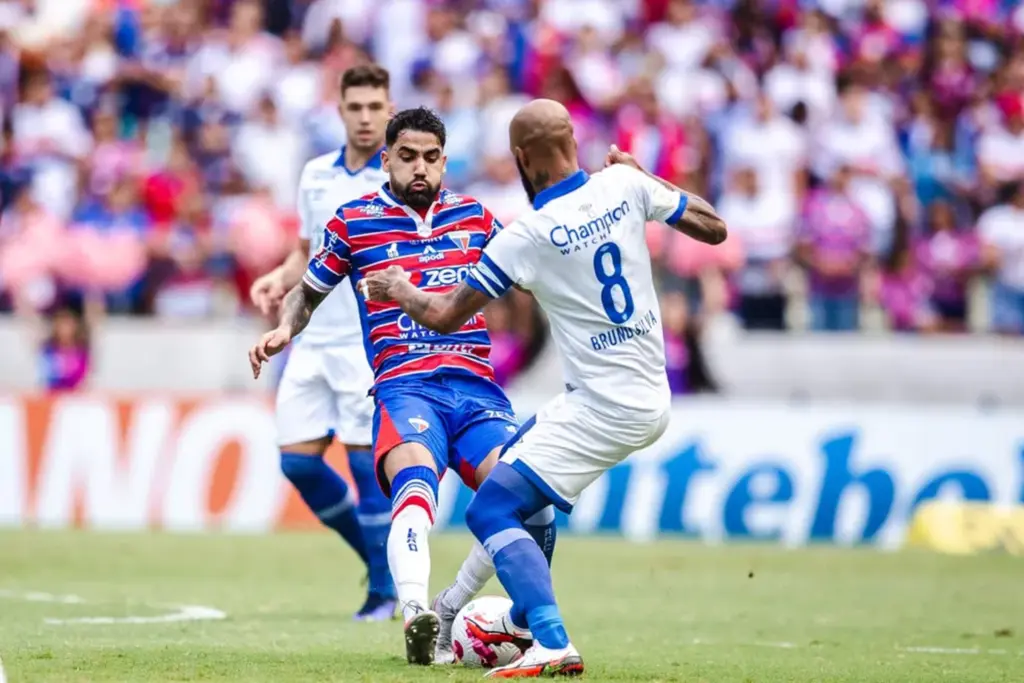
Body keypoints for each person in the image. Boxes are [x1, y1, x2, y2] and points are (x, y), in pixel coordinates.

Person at [360, 99, 726, 678]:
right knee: (513, 478)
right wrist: (642, 174)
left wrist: (401, 289)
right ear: (574, 143)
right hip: (645, 394)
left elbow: (446, 315)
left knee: (492, 508)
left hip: (605, 406)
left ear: (522, 159)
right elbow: (713, 226)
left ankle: (550, 639)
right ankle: (456, 610)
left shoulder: (526, 236)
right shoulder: (624, 184)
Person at [247, 106, 557, 666]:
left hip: (478, 392)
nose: (420, 168)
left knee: (528, 502)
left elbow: (534, 288)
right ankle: (416, 613)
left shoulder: (477, 217)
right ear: (386, 158)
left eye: (432, 158)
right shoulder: (352, 221)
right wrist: (283, 330)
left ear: (444, 161)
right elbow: (307, 292)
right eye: (408, 156)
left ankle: (473, 611)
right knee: (417, 487)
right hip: (406, 387)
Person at [247, 64, 396, 621]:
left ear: (388, 109)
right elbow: (307, 251)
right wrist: (278, 276)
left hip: (365, 343)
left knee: (365, 466)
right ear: (340, 111)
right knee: (298, 464)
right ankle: (381, 564)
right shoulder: (315, 175)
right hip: (310, 337)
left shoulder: (398, 179)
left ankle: (384, 592)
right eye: (355, 107)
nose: (364, 118)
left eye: (374, 107)